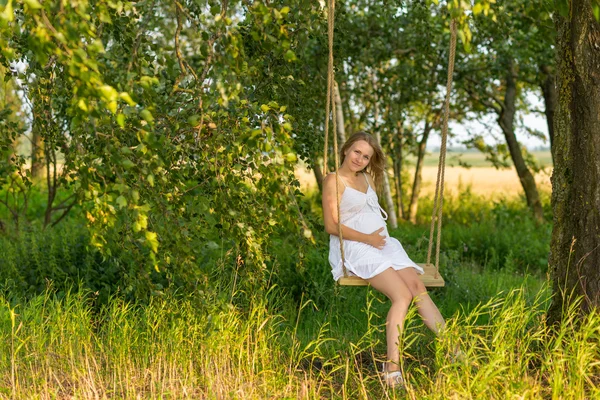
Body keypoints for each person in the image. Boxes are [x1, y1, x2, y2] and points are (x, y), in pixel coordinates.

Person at [322, 131, 446, 387]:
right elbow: (332, 226)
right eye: (357, 152)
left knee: (418, 288)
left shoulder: (367, 178)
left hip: (385, 244)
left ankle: (455, 349)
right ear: (346, 150)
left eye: (366, 156)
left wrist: (379, 240)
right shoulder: (333, 180)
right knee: (402, 296)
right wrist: (368, 239)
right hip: (357, 247)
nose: (360, 159)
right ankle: (391, 367)